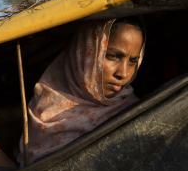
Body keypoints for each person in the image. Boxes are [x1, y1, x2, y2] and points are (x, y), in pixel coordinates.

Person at [22, 17, 145, 163]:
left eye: (133, 61)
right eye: (113, 56)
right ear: (85, 52)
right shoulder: (44, 111)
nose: (123, 73)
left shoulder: (139, 112)